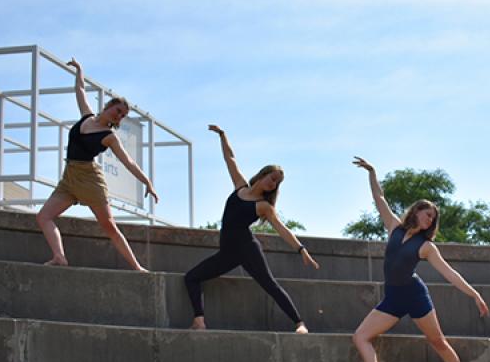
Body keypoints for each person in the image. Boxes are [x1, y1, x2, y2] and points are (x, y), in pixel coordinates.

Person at [351, 156, 490, 362]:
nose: (430, 220)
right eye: (427, 215)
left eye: (433, 219)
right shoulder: (394, 227)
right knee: (360, 336)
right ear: (416, 212)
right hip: (393, 298)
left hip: (415, 295)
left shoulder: (426, 246)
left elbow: (450, 273)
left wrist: (475, 294)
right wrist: (372, 173)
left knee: (438, 341)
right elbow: (379, 199)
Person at [184, 125, 319, 333]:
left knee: (269, 284)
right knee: (191, 277)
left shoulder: (264, 206)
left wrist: (302, 249)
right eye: (273, 178)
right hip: (227, 253)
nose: (274, 184)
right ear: (263, 174)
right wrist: (223, 136)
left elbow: (282, 229)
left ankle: (300, 324)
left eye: (277, 183)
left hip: (247, 249)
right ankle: (199, 321)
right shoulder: (240, 185)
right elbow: (230, 159)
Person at [36, 58, 159, 271]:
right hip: (69, 178)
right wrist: (79, 70)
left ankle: (137, 267)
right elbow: (80, 90)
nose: (118, 115)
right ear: (109, 106)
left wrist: (147, 182)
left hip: (90, 179)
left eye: (122, 115)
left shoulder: (109, 137)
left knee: (108, 225)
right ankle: (59, 257)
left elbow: (128, 162)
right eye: (118, 110)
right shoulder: (86, 116)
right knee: (44, 217)